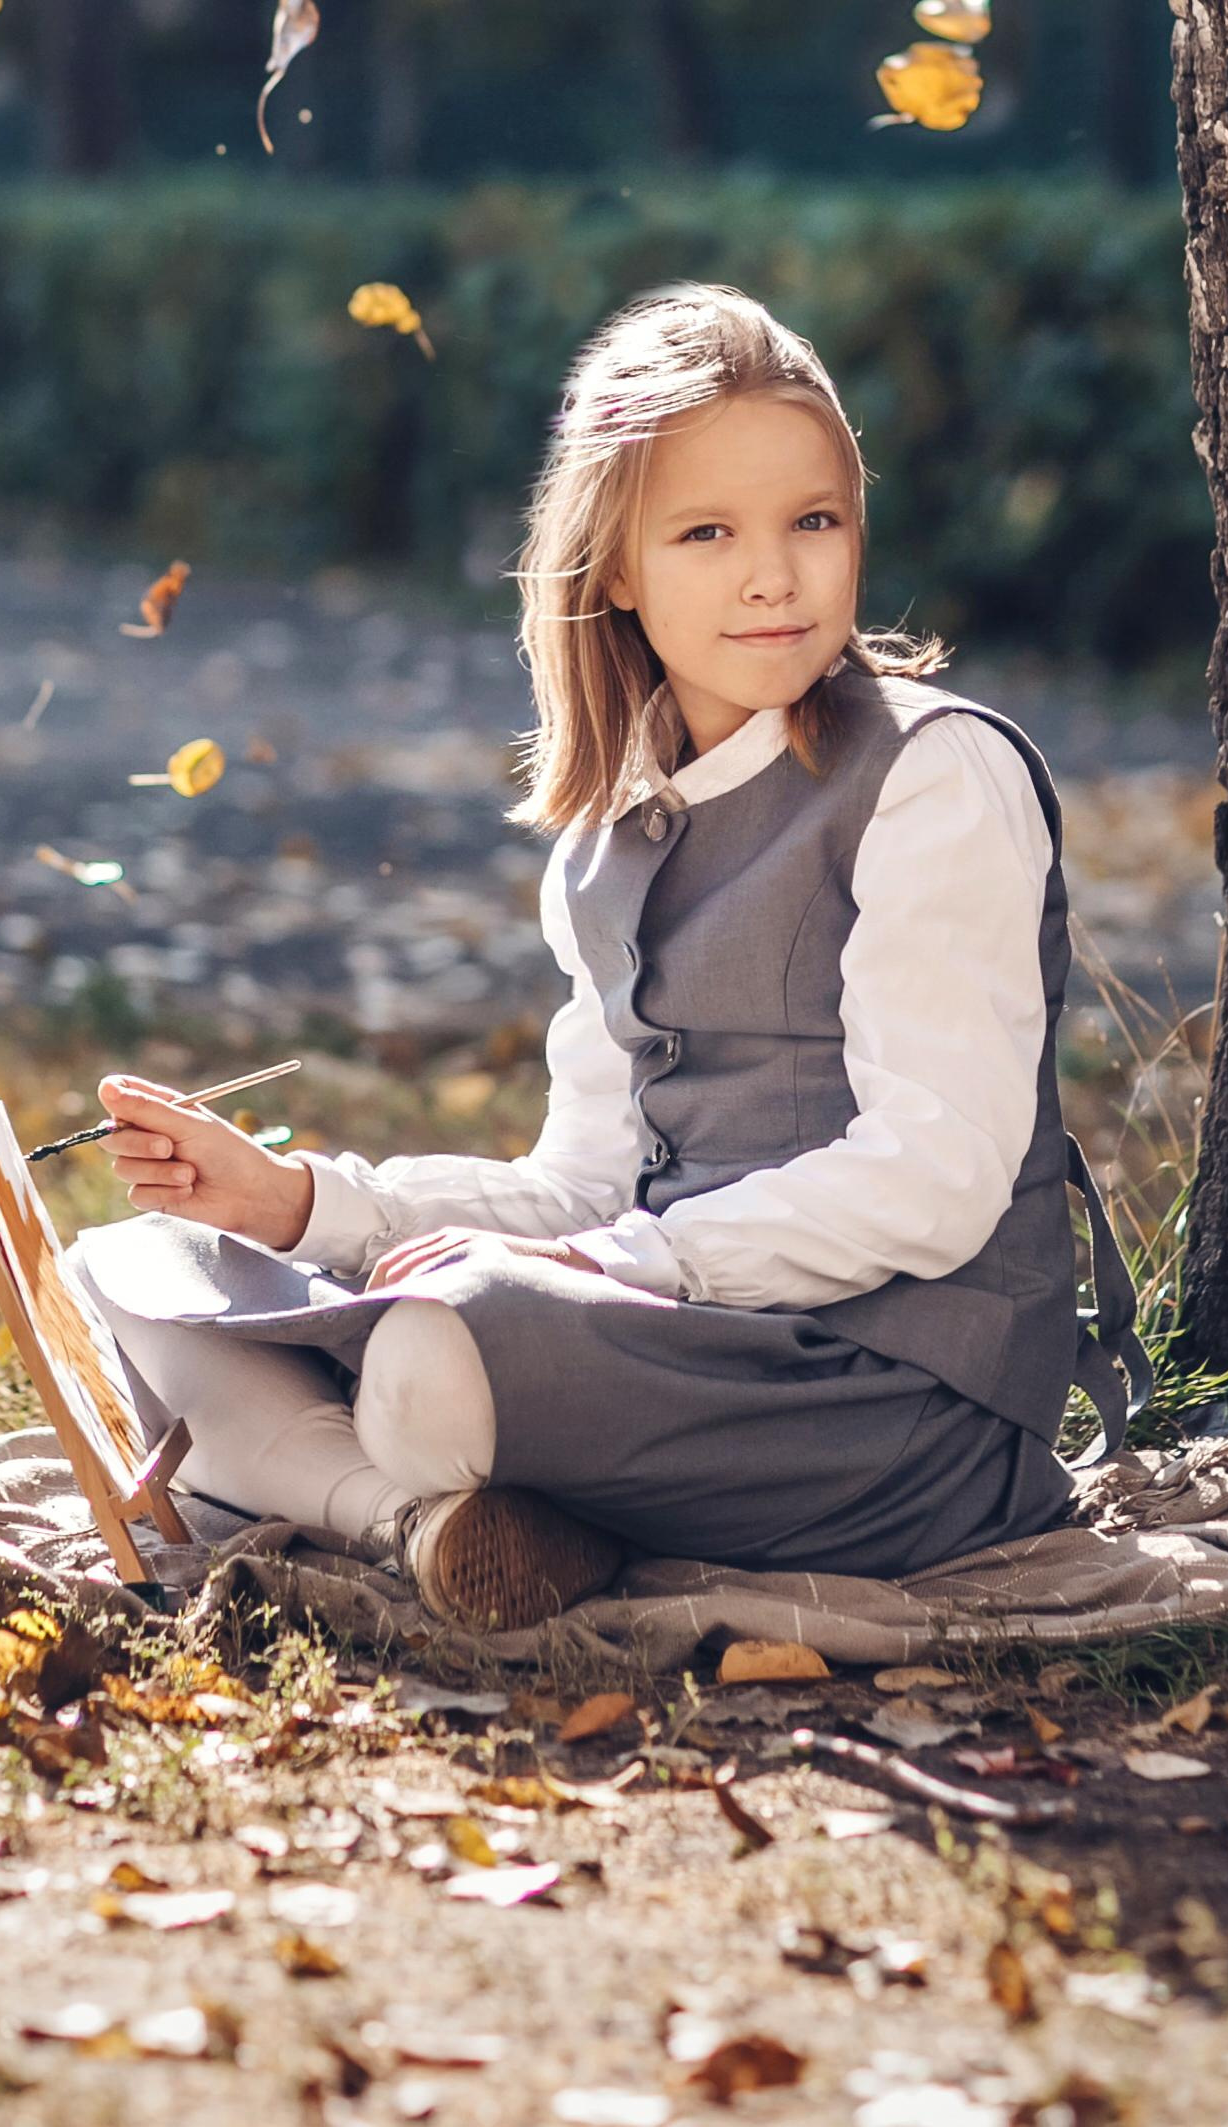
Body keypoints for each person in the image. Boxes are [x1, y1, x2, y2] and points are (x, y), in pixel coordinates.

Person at [65, 282, 1143, 1631]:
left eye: (814, 521)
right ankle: (432, 1527)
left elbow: (936, 1180)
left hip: (894, 1405)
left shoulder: (932, 773)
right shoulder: (609, 835)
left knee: (437, 1351)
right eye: (708, 533)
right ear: (616, 570)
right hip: (666, 1338)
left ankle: (388, 1477)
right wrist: (296, 1206)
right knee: (142, 1271)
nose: (774, 574)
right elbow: (582, 1183)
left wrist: (632, 1268)